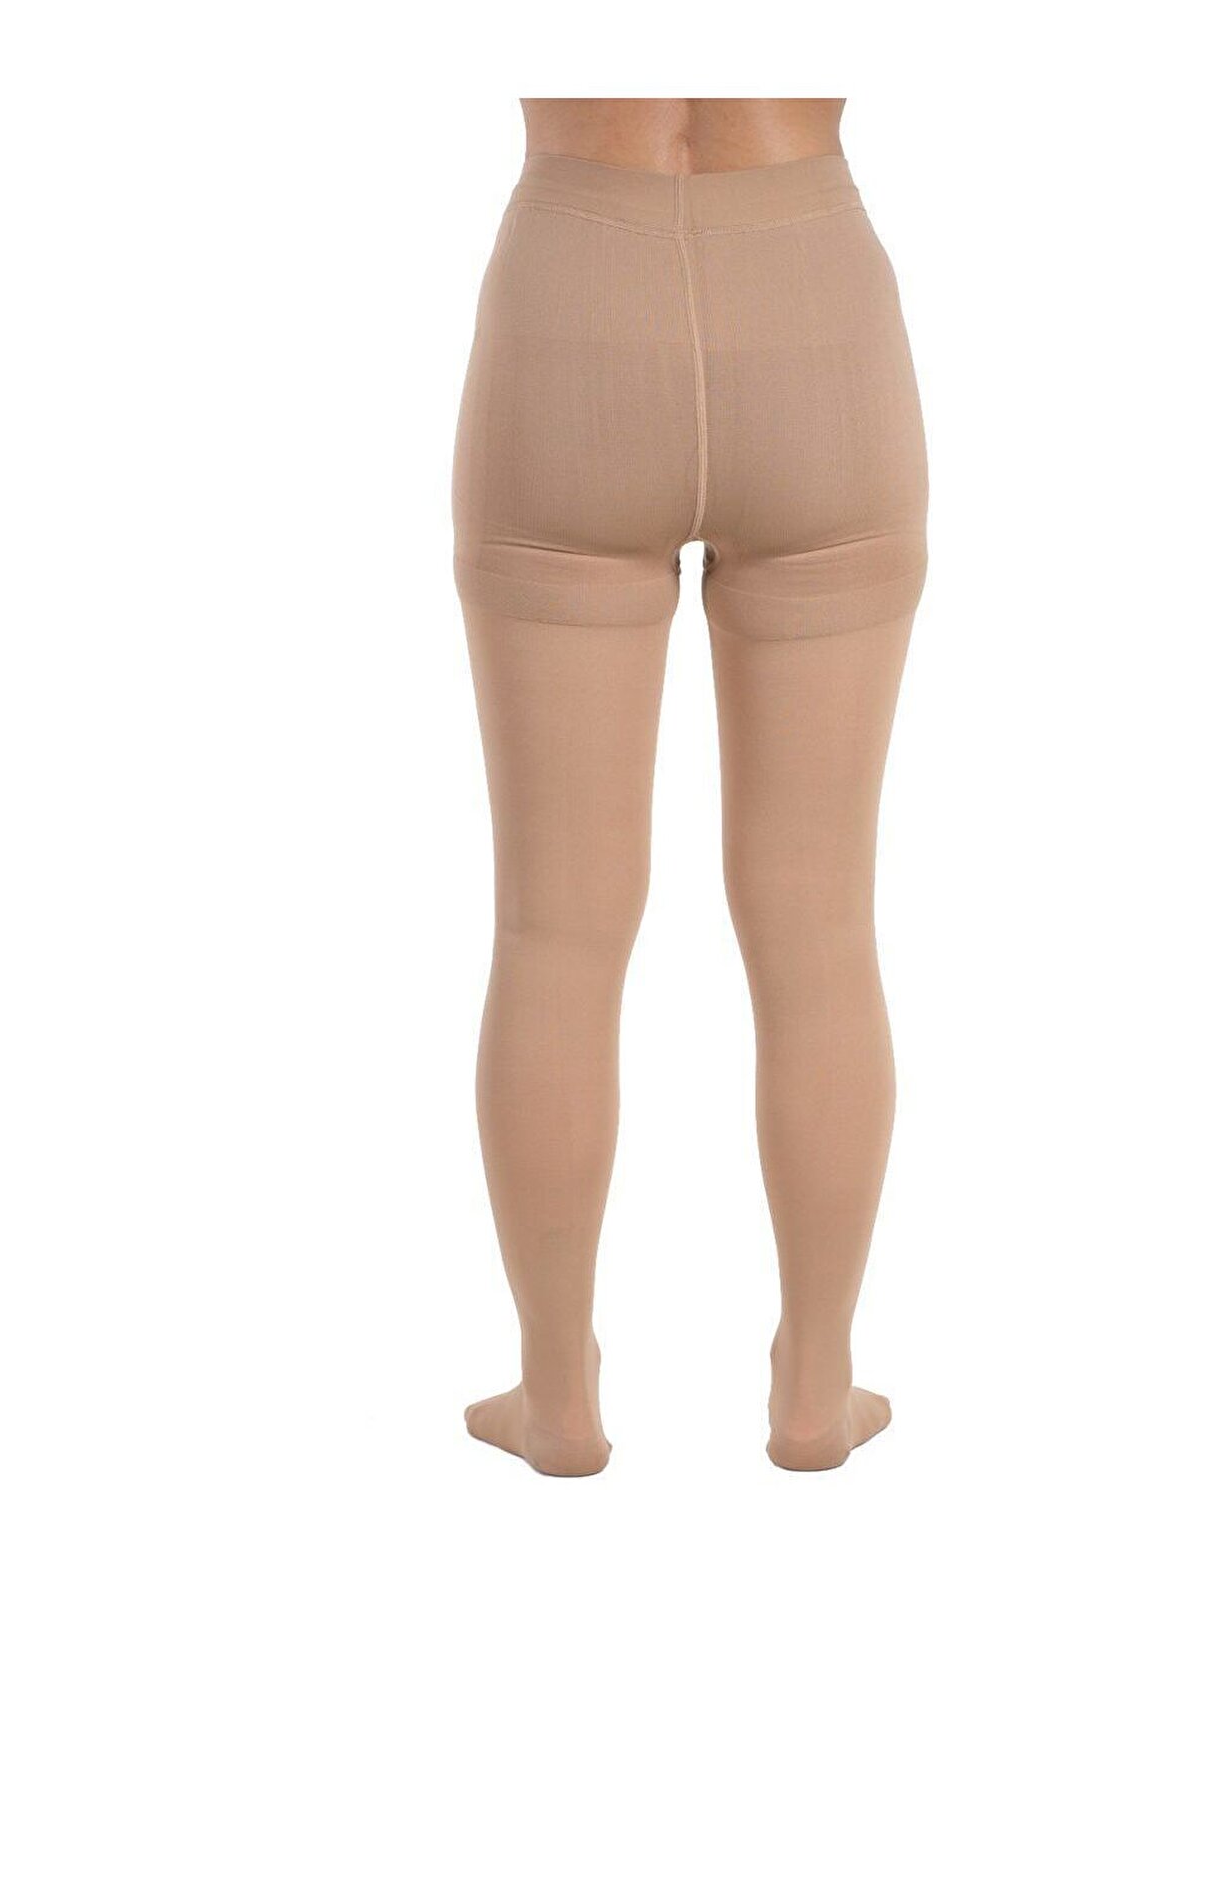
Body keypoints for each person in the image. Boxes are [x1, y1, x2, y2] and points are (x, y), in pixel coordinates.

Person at [452, 100, 928, 1473]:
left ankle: (556, 1397)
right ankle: (815, 1390)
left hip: (570, 304)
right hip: (812, 305)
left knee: (553, 927)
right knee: (820, 925)